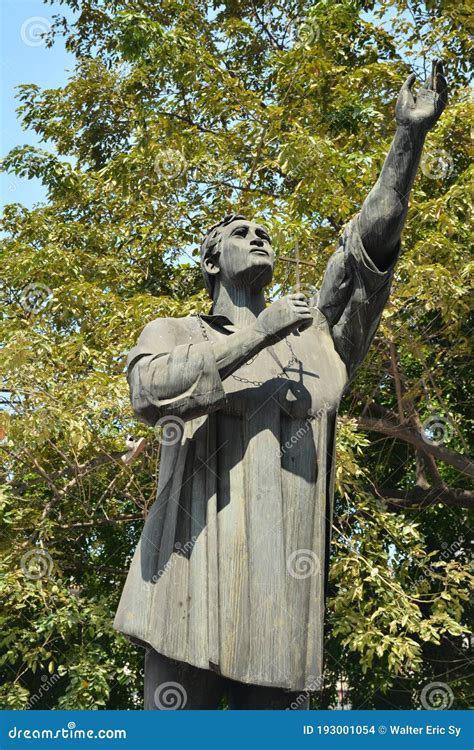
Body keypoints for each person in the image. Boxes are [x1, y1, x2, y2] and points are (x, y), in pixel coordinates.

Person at [114, 62, 447, 709]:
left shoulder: (318, 345)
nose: (258, 233)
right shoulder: (179, 330)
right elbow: (147, 393)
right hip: (188, 598)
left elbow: (367, 245)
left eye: (264, 230)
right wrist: (257, 334)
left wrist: (408, 138)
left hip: (278, 617)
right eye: (241, 232)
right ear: (212, 261)